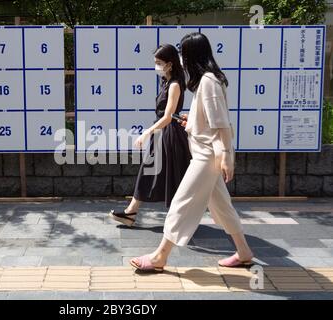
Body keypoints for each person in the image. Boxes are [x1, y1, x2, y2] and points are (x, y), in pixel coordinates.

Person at [130, 32, 254, 270]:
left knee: (182, 202)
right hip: (205, 151)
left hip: (207, 155)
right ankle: (244, 251)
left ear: (192, 55)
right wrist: (193, 121)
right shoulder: (208, 80)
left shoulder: (208, 81)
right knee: (222, 206)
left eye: (184, 55)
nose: (182, 61)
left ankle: (160, 257)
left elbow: (221, 123)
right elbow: (210, 119)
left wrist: (227, 156)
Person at [109, 44, 191, 227]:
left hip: (168, 135)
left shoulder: (175, 85)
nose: (156, 66)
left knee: (170, 175)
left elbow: (169, 117)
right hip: (162, 134)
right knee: (156, 173)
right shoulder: (167, 82)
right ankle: (132, 213)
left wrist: (147, 132)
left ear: (170, 64)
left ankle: (134, 213)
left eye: (159, 62)